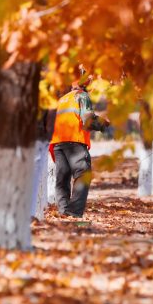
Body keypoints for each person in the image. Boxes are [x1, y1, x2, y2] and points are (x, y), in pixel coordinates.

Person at [50, 69, 110, 218]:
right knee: (83, 174)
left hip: (58, 143)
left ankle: (64, 212)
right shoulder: (82, 96)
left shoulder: (62, 99)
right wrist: (103, 124)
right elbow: (87, 120)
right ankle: (74, 213)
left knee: (62, 179)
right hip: (75, 141)